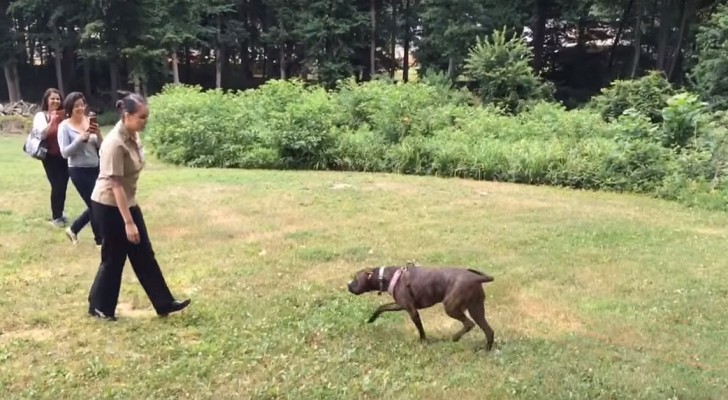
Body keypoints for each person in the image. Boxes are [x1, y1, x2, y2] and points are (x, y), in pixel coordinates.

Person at [87, 90, 190, 320]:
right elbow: (115, 184)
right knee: (114, 257)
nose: (145, 121)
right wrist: (128, 222)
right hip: (108, 204)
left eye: (146, 116)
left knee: (144, 253)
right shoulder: (115, 143)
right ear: (126, 115)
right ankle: (100, 307)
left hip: (127, 201)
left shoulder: (133, 135)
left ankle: (164, 303)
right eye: (141, 117)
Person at [57, 92, 103, 246]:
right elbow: (64, 152)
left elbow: (100, 146)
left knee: (98, 203)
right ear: (70, 108)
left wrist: (98, 133)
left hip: (95, 166)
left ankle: (74, 229)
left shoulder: (89, 121)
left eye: (82, 105)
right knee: (95, 204)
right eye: (76, 106)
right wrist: (79, 139)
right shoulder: (64, 126)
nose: (80, 108)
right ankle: (100, 241)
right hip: (78, 170)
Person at [33, 88, 69, 227]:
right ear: (46, 100)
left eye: (58, 98)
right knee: (57, 185)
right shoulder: (41, 116)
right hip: (50, 156)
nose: (55, 101)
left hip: (64, 155)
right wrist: (52, 122)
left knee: (63, 185)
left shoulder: (64, 115)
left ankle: (59, 212)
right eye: (52, 98)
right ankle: (56, 217)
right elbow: (40, 135)